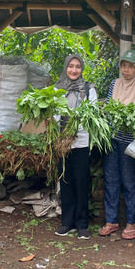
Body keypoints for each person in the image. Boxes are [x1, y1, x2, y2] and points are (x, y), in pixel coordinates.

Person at [98, 49, 135, 240]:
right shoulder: (115, 85)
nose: (126, 70)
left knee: (129, 182)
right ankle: (111, 221)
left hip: (130, 143)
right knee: (111, 179)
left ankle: (131, 222)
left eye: (130, 66)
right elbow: (109, 109)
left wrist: (130, 120)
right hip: (112, 140)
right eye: (123, 65)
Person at [53, 54, 98, 240]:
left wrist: (76, 123)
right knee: (65, 181)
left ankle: (82, 224)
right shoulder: (56, 89)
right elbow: (54, 114)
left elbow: (92, 112)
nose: (74, 70)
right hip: (62, 142)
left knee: (81, 181)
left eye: (78, 66)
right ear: (65, 67)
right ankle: (67, 222)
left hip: (81, 141)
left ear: (82, 69)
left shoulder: (88, 89)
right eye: (71, 66)